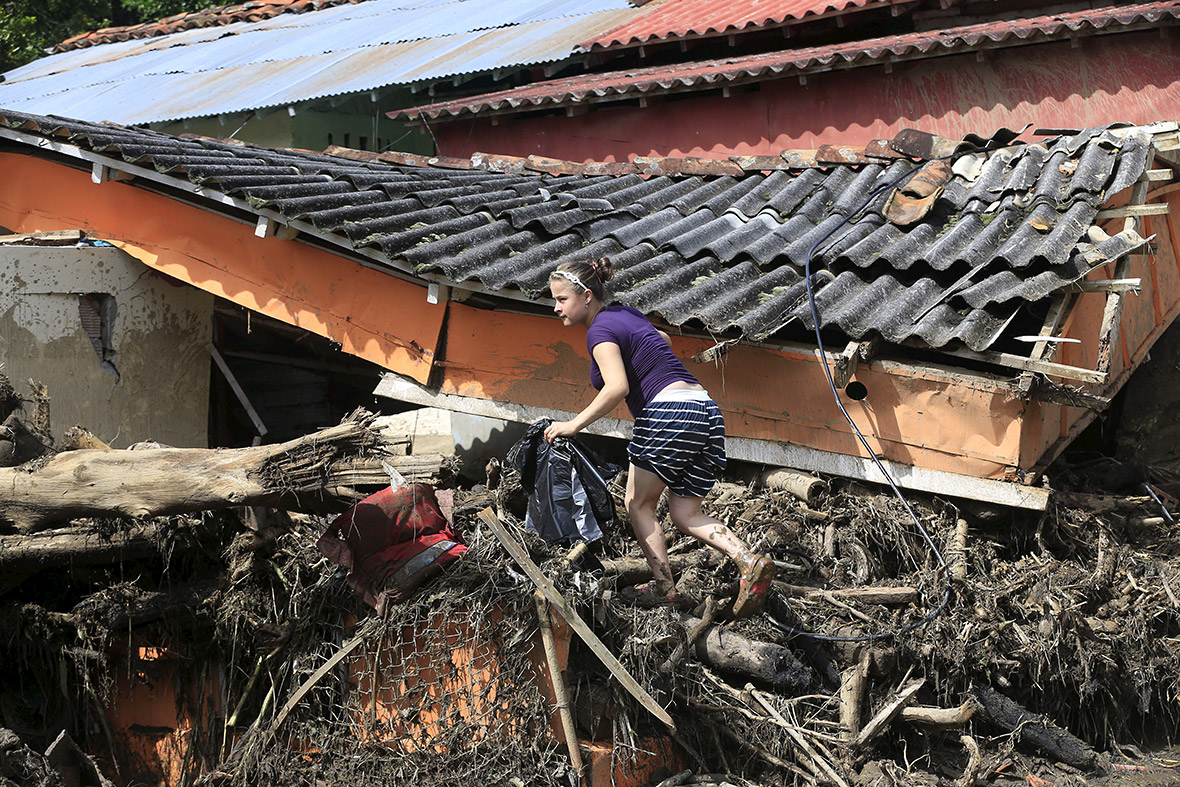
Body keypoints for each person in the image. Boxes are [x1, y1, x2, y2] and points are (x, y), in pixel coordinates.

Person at [544, 258, 776, 617]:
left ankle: (664, 588)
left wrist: (574, 424)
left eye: (561, 299)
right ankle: (748, 560)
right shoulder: (627, 314)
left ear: (586, 296)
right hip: (705, 410)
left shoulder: (599, 331)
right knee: (685, 514)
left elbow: (617, 386)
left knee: (638, 503)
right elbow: (662, 339)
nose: (555, 307)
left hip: (668, 413)